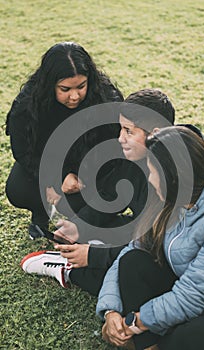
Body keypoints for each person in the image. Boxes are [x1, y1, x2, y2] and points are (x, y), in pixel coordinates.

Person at [20, 88, 176, 295]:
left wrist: (93, 256)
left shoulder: (176, 173)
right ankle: (90, 249)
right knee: (105, 226)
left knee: (131, 280)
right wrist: (78, 227)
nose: (121, 138)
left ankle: (69, 270)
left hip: (166, 254)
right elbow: (109, 197)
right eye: (121, 129)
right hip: (144, 232)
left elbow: (154, 246)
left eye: (129, 131)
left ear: (155, 133)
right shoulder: (136, 157)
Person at [96, 126, 204, 350]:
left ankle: (147, 341)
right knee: (134, 262)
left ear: (173, 177)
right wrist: (111, 311)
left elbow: (192, 295)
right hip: (194, 295)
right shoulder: (175, 199)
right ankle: (147, 345)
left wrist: (134, 322)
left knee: (187, 337)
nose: (149, 179)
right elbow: (130, 251)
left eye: (152, 172)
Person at [5, 41, 123, 239]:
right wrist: (55, 178)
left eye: (81, 86)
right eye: (65, 89)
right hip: (47, 164)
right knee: (19, 189)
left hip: (88, 170)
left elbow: (114, 146)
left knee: (76, 204)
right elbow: (23, 151)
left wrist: (79, 176)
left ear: (89, 80)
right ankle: (41, 214)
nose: (75, 96)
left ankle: (87, 223)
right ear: (49, 84)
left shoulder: (106, 99)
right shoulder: (27, 105)